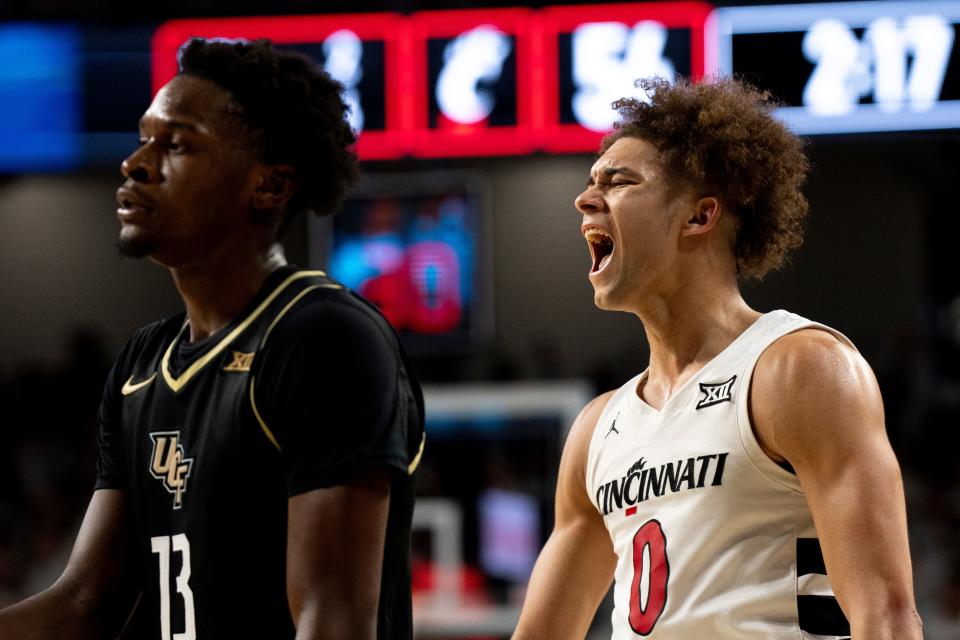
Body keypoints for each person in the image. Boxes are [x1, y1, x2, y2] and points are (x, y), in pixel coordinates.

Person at [0, 37, 424, 640]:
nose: (137, 163)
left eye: (175, 144)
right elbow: (85, 602)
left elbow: (329, 624)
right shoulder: (141, 363)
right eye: (143, 138)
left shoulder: (322, 337)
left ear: (269, 187)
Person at [513, 77, 922, 640]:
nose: (584, 199)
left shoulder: (798, 369)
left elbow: (887, 617)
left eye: (619, 181)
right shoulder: (596, 429)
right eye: (590, 183)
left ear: (700, 217)